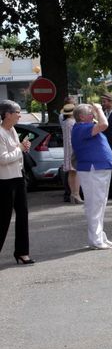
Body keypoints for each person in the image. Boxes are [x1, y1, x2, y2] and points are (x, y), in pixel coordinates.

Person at [72, 103, 112, 250]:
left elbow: (101, 144)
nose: (93, 115)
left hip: (99, 168)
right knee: (95, 205)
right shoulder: (81, 128)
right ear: (81, 117)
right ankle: (96, 239)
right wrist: (99, 109)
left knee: (100, 204)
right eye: (90, 113)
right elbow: (104, 124)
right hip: (92, 169)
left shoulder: (87, 128)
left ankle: (99, 236)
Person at [0, 100, 34, 264]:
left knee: (23, 215)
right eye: (17, 112)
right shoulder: (0, 133)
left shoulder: (12, 129)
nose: (20, 115)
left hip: (19, 177)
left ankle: (22, 252)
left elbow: (15, 151)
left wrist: (22, 148)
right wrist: (19, 149)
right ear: (7, 114)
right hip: (5, 180)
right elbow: (3, 159)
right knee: (4, 218)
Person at [61, 102, 82, 204]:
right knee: (76, 172)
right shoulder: (73, 123)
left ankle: (73, 194)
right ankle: (76, 194)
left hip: (67, 150)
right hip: (74, 149)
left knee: (71, 173)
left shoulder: (65, 122)